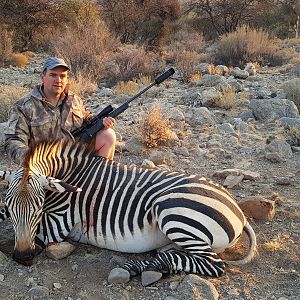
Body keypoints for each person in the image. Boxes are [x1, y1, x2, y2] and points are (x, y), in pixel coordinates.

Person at [5, 57, 117, 165]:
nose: (58, 80)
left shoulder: (74, 100)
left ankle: (97, 179)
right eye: (53, 75)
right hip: (43, 163)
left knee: (108, 135)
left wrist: (102, 123)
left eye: (62, 76)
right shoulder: (24, 106)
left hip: (74, 156)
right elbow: (13, 141)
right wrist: (32, 159)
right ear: (43, 77)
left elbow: (87, 118)